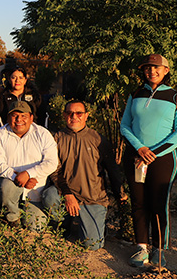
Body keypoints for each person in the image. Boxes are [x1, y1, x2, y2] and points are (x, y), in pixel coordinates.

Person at [120, 54, 177, 267]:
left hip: (163, 159)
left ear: (166, 70)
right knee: (139, 202)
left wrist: (153, 153)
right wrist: (140, 148)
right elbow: (125, 126)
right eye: (148, 68)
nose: (152, 71)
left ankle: (159, 250)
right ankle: (141, 248)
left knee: (159, 203)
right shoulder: (135, 94)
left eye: (156, 68)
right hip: (136, 156)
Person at [49, 100, 124, 250]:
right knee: (49, 196)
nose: (74, 116)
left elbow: (112, 168)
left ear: (86, 116)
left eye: (79, 113)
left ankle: (95, 225)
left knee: (92, 245)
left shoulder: (98, 139)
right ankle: (65, 224)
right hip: (66, 193)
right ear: (64, 115)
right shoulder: (56, 138)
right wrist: (68, 194)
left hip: (92, 197)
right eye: (70, 113)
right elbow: (54, 170)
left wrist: (120, 193)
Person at [0, 101, 58, 230]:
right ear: (8, 117)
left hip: (35, 188)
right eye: (15, 116)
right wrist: (18, 177)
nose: (19, 120)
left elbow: (51, 162)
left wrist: (28, 174)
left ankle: (34, 214)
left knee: (36, 228)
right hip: (12, 185)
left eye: (23, 116)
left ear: (31, 118)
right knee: (6, 185)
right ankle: (12, 217)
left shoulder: (43, 134)